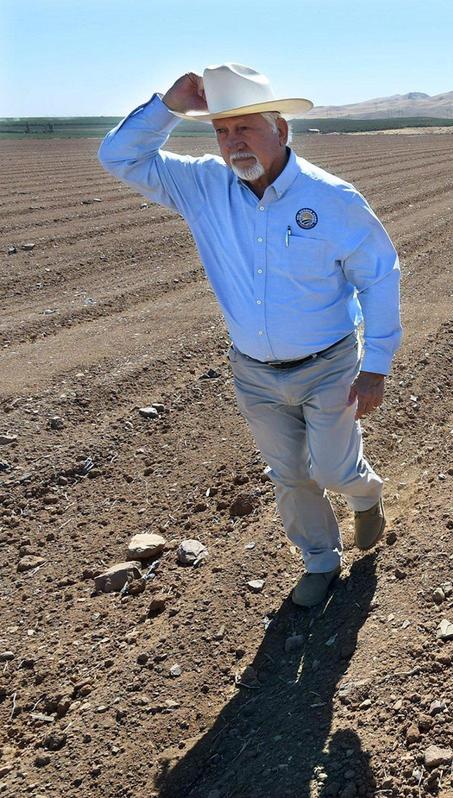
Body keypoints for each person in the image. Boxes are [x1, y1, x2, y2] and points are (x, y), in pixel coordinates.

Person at [98, 63, 402, 607]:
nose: (233, 142)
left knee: (330, 468)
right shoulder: (202, 187)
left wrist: (375, 365)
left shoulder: (332, 199)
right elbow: (118, 157)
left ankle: (365, 492)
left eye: (246, 128)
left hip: (329, 363)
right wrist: (166, 108)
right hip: (254, 372)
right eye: (221, 130)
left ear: (281, 130)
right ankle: (319, 561)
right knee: (288, 473)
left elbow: (378, 278)